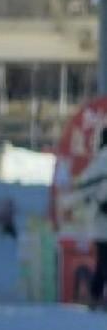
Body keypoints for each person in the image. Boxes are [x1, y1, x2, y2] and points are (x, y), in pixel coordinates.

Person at [60, 126, 107, 310]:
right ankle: (96, 296)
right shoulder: (103, 159)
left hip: (100, 221)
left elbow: (84, 187)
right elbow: (88, 186)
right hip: (102, 220)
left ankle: (96, 296)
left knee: (103, 260)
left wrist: (67, 203)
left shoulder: (101, 159)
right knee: (103, 260)